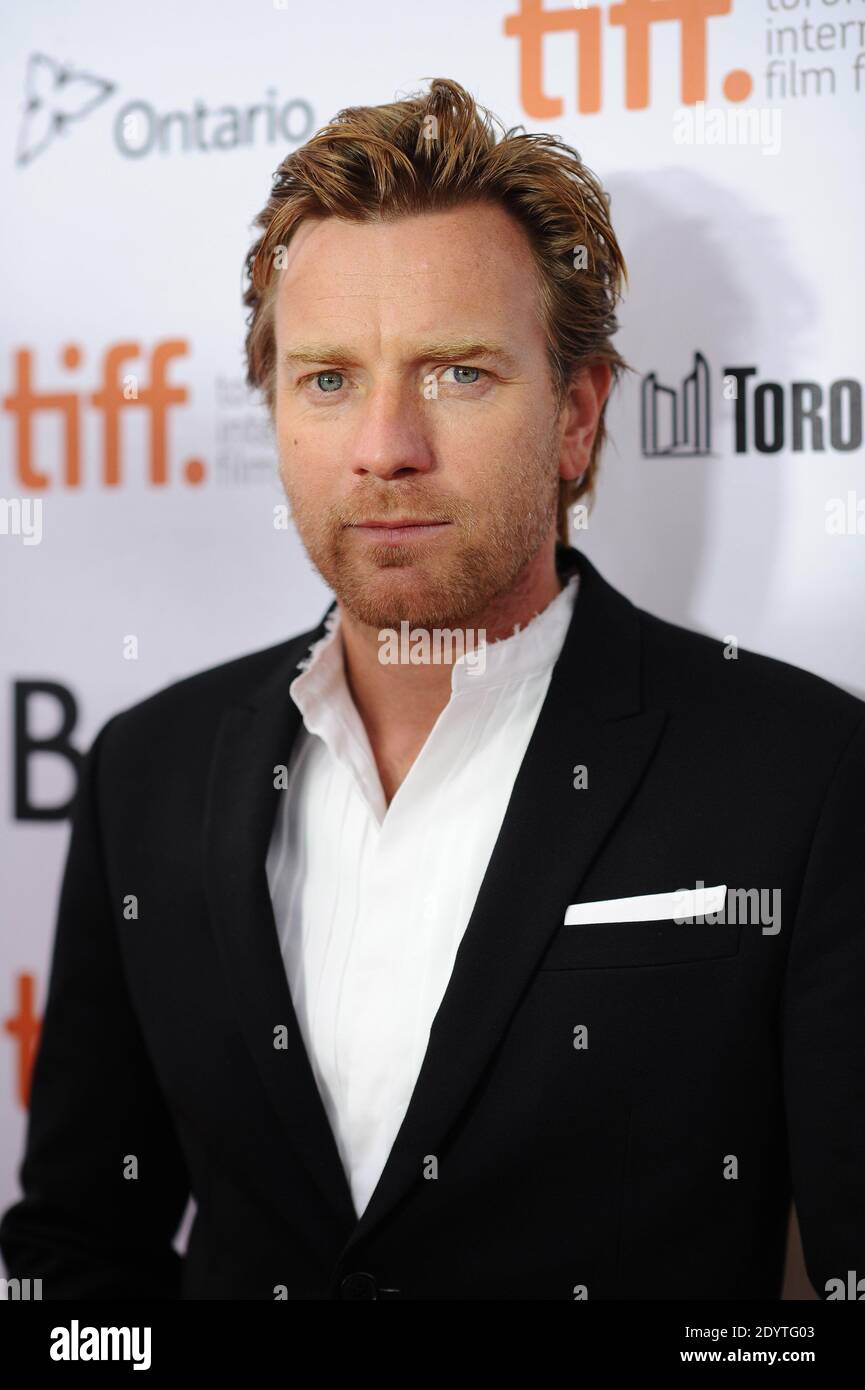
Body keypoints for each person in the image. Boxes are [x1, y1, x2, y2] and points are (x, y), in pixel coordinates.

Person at [2, 78, 863, 1301]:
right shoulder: (148, 768)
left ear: (574, 416)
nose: (384, 445)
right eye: (328, 379)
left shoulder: (802, 772)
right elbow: (80, 1254)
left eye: (457, 372)